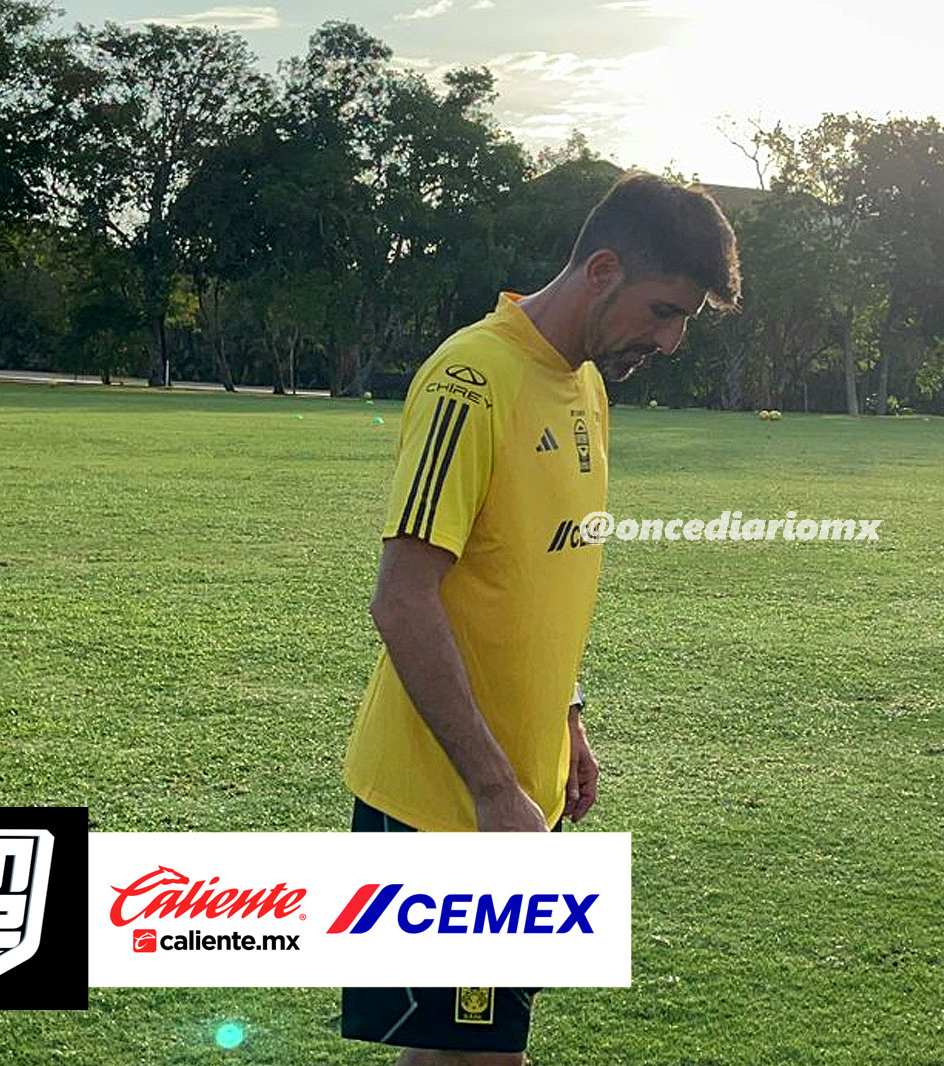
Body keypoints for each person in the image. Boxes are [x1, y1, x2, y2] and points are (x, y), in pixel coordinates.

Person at [338, 172, 740, 1066]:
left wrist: (567, 724)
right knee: (484, 1055)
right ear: (602, 269)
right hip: (444, 801)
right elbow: (402, 597)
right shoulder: (471, 381)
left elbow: (533, 577)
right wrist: (490, 788)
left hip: (519, 788)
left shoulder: (586, 385)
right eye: (664, 310)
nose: (670, 342)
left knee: (445, 1049)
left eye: (684, 322)